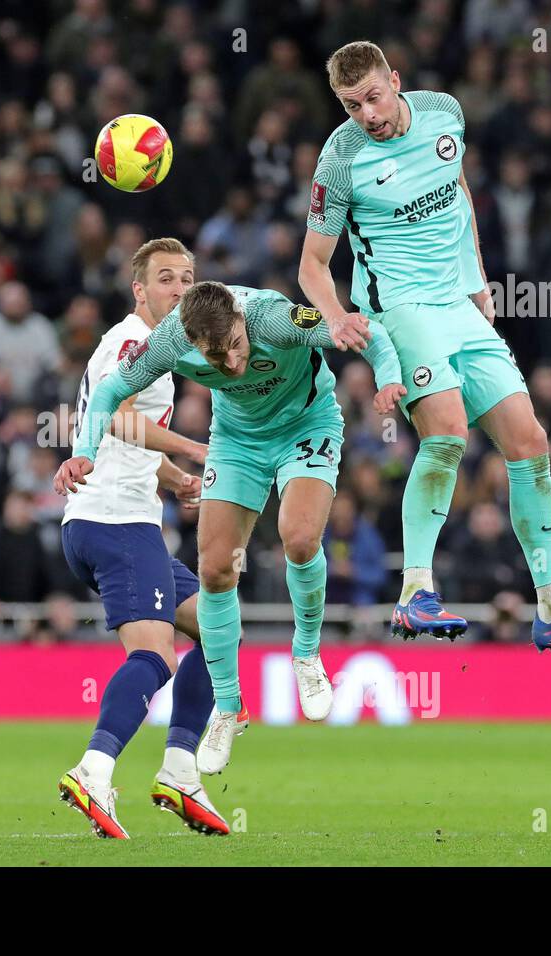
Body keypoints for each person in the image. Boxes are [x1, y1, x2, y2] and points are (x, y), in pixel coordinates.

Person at [297, 40, 551, 659]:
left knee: (530, 443)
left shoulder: (445, 113)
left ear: (395, 80)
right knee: (447, 430)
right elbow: (312, 266)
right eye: (351, 105)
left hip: (457, 303)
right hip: (400, 304)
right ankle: (415, 591)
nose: (367, 114)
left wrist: (477, 277)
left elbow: (458, 192)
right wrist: (339, 314)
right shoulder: (340, 160)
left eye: (373, 97)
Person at [56, 278, 400, 774]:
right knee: (216, 569)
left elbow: (364, 331)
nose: (233, 365)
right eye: (216, 359)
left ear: (242, 323)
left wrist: (387, 376)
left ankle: (306, 655)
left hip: (305, 425)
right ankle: (228, 705)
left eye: (237, 348)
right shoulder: (170, 338)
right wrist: (84, 452)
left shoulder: (279, 320)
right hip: (237, 441)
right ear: (191, 342)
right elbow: (110, 392)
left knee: (300, 539)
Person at [55, 238, 225, 839]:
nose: (179, 289)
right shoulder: (130, 342)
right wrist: (192, 447)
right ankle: (94, 770)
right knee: (154, 656)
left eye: (186, 278)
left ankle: (180, 768)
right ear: (140, 289)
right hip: (116, 523)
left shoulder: (157, 347)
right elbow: (119, 417)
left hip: (118, 519)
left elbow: (123, 441)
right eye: (165, 279)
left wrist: (173, 477)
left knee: (217, 629)